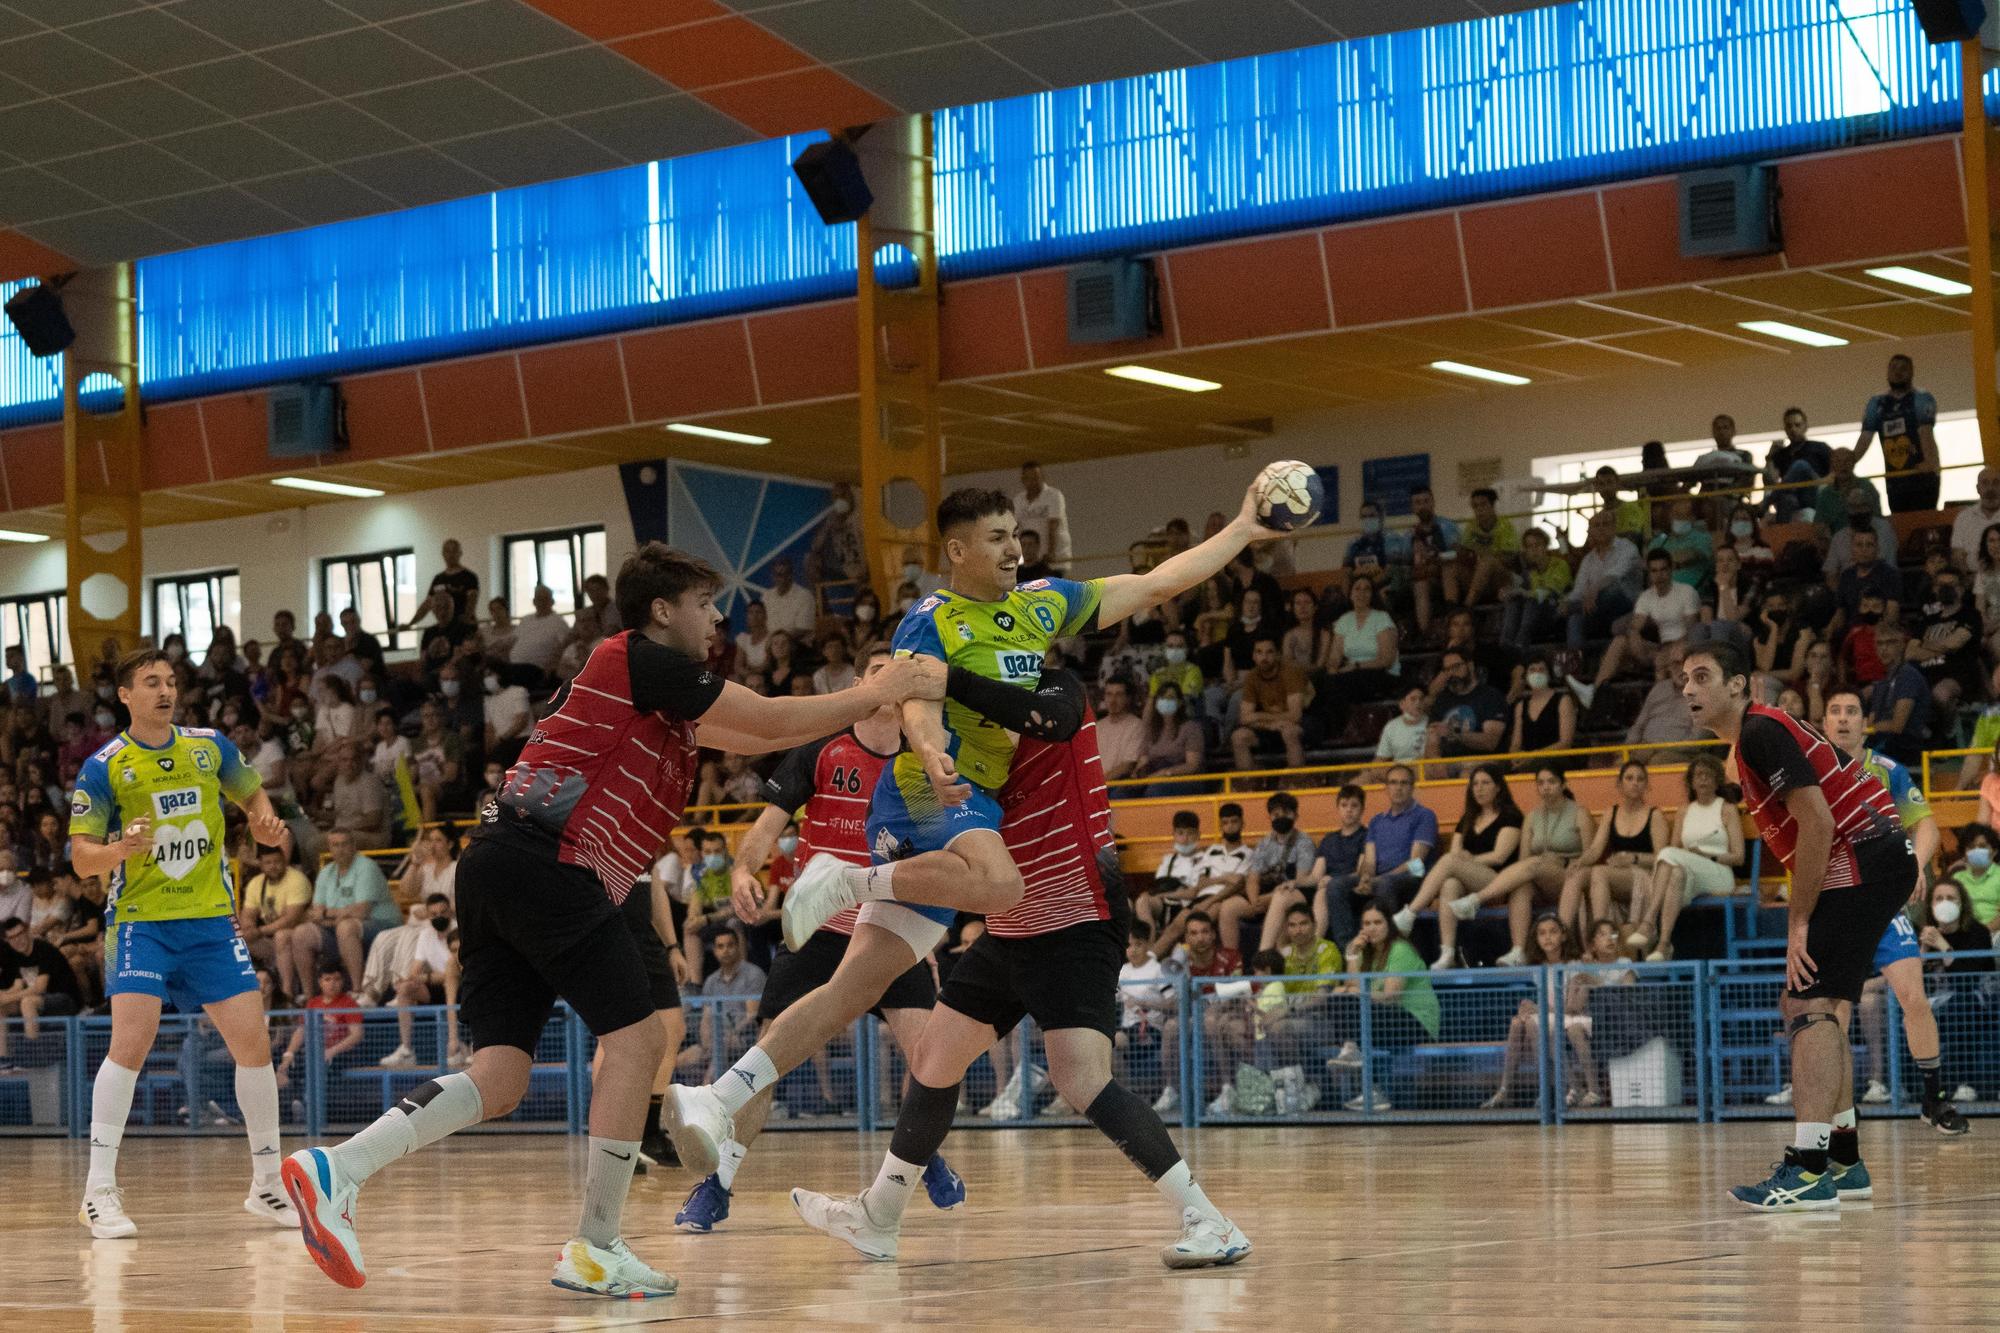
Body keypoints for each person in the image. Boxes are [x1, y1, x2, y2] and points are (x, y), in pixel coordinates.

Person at [281, 541, 946, 1299]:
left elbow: (763, 732)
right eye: (703, 603)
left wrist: (872, 703)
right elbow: (763, 711)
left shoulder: (663, 705)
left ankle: (339, 1167)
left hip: (496, 864)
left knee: (498, 1075)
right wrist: (879, 688)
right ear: (663, 610)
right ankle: (596, 1246)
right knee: (638, 1038)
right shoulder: (635, 656)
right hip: (550, 861)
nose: (716, 617)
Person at [786, 703, 1250, 1271]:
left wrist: (854, 881)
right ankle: (879, 1216)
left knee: (1081, 1077)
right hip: (1010, 931)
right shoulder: (956, 750)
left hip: (1074, 921)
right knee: (933, 1057)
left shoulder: (1052, 703)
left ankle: (1208, 1219)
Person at [774, 476, 1285, 978]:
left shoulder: (1043, 602)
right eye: (997, 538)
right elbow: (918, 700)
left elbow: (1156, 584)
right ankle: (845, 881)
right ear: (957, 550)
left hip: (980, 798)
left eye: (1015, 534)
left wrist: (1241, 529)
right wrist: (930, 753)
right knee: (1001, 888)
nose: (1014, 548)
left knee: (853, 990)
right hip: (927, 791)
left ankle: (753, 1064)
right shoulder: (931, 618)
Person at [672, 648, 966, 1233]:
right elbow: (764, 832)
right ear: (859, 683)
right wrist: (742, 871)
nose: (892, 679)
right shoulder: (822, 750)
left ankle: (920, 1154)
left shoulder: (925, 760)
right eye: (880, 670)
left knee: (927, 1057)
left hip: (891, 926)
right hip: (817, 932)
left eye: (901, 671)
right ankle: (717, 1184)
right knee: (770, 1056)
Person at [66, 648, 298, 1238]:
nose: (165, 691)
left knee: (254, 1046)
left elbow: (251, 795)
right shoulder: (105, 766)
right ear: (125, 695)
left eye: (170, 681)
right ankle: (98, 1192)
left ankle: (268, 1186)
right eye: (151, 683)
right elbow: (81, 859)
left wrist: (265, 821)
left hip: (211, 922)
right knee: (131, 1046)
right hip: (141, 923)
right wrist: (121, 848)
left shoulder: (208, 745)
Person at [1681, 640, 1916, 1211]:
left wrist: (1799, 921)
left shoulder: (1760, 733)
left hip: (1863, 858)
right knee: (1812, 1004)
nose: (1688, 689)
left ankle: (1811, 1170)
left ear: (1739, 685)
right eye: (1684, 679)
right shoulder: (1749, 742)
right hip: (1873, 860)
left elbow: (1818, 822)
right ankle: (1843, 1159)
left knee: (1809, 1004)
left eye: (1702, 676)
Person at [1818, 690, 1967, 1134]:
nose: (1843, 720)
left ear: (1865, 722)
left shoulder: (1887, 771)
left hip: (1883, 904)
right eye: (1835, 712)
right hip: (1837, 904)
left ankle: (1933, 1099)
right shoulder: (1811, 775)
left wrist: (1915, 866)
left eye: (1851, 712)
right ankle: (1844, 1111)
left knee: (1913, 997)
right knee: (1837, 1010)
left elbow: (1927, 825)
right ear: (1823, 721)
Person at [1451, 764, 1593, 967]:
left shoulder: (1580, 813)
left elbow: (1590, 854)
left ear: (1563, 785)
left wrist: (1572, 862)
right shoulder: (1532, 817)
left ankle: (1477, 899)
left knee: (1534, 864)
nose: (1545, 787)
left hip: (1568, 875)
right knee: (1521, 885)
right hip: (1538, 873)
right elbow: (1523, 858)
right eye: (1541, 783)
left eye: (1551, 782)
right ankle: (1518, 950)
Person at [1400, 764, 1524, 969]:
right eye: (1475, 784)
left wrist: (1467, 860)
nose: (1479, 788)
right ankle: (1447, 953)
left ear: (1498, 787)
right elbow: (1455, 853)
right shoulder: (1467, 819)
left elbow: (1499, 856)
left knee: (1450, 863)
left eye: (1485, 783)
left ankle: (1411, 911)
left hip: (1499, 882)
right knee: (1450, 882)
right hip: (1469, 884)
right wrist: (1461, 860)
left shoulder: (1511, 816)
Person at [1322, 898, 1439, 1111]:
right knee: (1339, 1000)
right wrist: (1352, 955)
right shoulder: (1368, 955)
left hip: (1415, 1022)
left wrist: (1351, 991)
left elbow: (1390, 996)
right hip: (1384, 1019)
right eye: (1367, 924)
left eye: (1378, 922)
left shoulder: (1400, 949)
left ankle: (1353, 1050)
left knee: (1347, 998)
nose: (1372, 928)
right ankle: (1370, 1082)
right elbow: (1352, 986)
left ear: (1389, 925)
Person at [1630, 754, 1742, 962]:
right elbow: (1675, 851)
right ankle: (1664, 944)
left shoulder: (1727, 809)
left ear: (1717, 780)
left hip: (1718, 874)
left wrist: (1708, 855)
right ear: (1691, 781)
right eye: (1698, 775)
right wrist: (1688, 858)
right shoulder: (1684, 811)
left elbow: (1739, 857)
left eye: (1708, 775)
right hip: (1690, 871)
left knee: (1666, 854)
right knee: (1676, 872)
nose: (1703, 780)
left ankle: (1649, 922)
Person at [1571, 759, 1667, 935]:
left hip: (1645, 876)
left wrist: (1632, 858)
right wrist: (1580, 862)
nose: (1635, 783)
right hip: (1616, 873)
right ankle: (1569, 936)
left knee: (1599, 872)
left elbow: (1662, 859)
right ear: (1620, 784)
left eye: (1640, 779)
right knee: (1577, 876)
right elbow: (1595, 850)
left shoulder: (1655, 815)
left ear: (1646, 785)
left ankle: (1601, 932)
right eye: (1629, 778)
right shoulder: (1610, 812)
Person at [1855, 353, 1940, 513]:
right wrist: (1848, 463)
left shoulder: (1922, 398)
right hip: (1894, 479)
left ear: (1912, 372)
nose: (1898, 372)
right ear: (1887, 372)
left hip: (1922, 475)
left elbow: (1926, 433)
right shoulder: (1876, 403)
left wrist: (1930, 462)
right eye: (1893, 368)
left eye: (1903, 369)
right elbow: (1865, 438)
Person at [1013, 461, 1071, 574]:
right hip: (1030, 561)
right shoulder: (1019, 500)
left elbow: (1053, 526)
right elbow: (1016, 529)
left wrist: (1051, 552)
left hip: (1053, 560)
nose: (1033, 481)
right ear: (1023, 480)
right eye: (1029, 478)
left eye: (1036, 477)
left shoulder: (1053, 496)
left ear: (1042, 477)